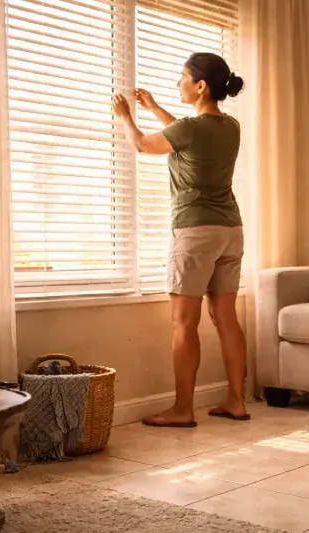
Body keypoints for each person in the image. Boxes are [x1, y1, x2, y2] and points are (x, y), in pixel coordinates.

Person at [111, 52, 248, 427]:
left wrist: (126, 117)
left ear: (200, 86)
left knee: (183, 323)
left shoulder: (191, 128)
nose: (178, 84)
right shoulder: (230, 125)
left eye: (182, 77)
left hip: (196, 230)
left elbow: (142, 144)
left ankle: (182, 409)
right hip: (230, 231)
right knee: (226, 319)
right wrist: (155, 107)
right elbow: (185, 135)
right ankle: (236, 400)